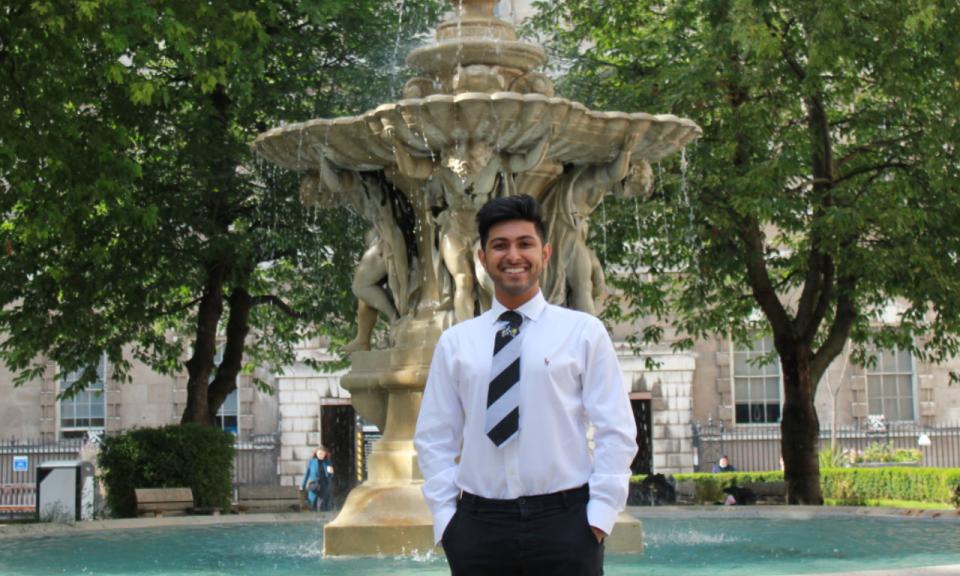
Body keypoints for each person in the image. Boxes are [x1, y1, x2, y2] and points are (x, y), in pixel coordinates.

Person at [414, 194, 638, 575]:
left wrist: (600, 515)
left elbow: (616, 429)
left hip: (567, 523)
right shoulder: (456, 342)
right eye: (500, 245)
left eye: (525, 244)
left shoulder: (584, 332)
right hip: (478, 526)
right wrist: (447, 519)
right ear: (482, 258)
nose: (513, 255)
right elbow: (434, 436)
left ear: (545, 254)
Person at [301, 446, 335, 511]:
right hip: (314, 484)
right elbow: (307, 474)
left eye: (322, 453)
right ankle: (311, 513)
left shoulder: (327, 462)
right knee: (311, 502)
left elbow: (330, 476)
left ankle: (320, 515)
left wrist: (331, 472)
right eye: (319, 453)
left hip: (324, 485)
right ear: (316, 453)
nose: (321, 455)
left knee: (321, 504)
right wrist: (303, 484)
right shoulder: (311, 461)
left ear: (325, 454)